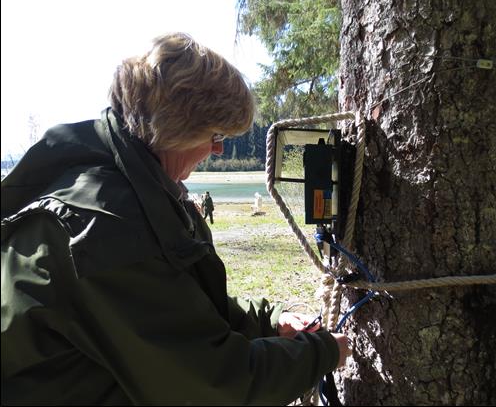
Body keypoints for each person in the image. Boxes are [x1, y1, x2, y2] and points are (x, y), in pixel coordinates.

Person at [1, 32, 350, 405]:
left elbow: (183, 303)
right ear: (175, 129)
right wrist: (323, 353)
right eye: (215, 135)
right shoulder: (102, 225)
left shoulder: (131, 183)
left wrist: (269, 321)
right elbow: (212, 385)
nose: (217, 149)